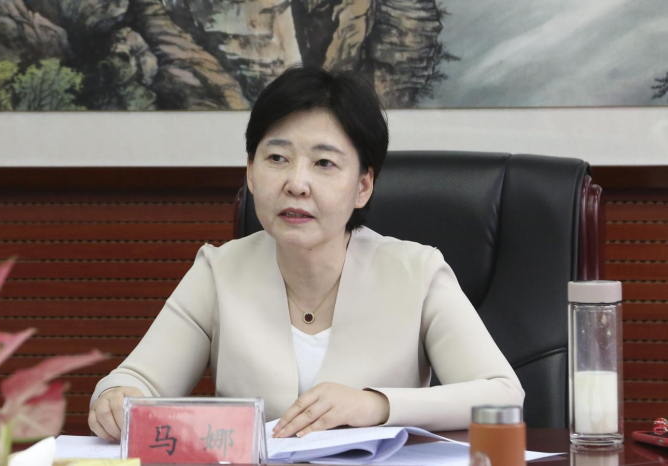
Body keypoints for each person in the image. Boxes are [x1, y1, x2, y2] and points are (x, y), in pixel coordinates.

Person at [88, 65, 524, 442]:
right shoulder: (218, 271)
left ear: (363, 186)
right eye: (277, 158)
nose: (296, 183)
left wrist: (375, 405)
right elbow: (135, 380)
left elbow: (503, 395)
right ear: (251, 173)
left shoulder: (417, 272)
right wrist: (115, 399)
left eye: (324, 163)